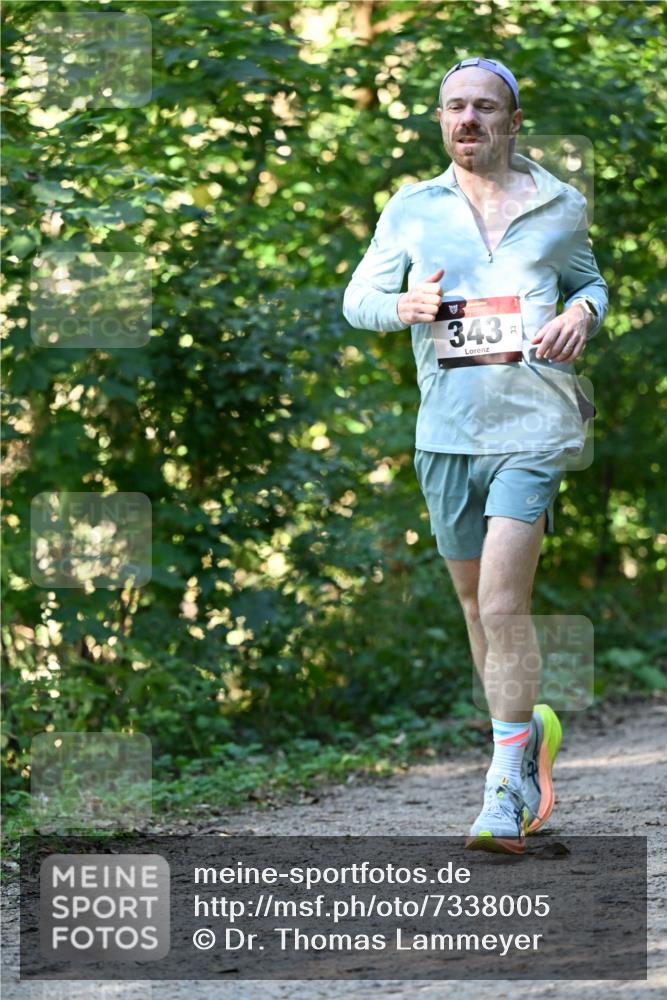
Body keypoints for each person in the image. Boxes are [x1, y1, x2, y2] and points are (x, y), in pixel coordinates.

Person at [342, 56, 608, 854]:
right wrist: (402, 305)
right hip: (445, 435)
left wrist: (581, 317)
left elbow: (589, 283)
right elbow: (357, 301)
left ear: (511, 120)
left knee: (500, 605)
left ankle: (502, 787)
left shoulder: (561, 205)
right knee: (473, 610)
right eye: (454, 106)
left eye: (484, 108)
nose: (468, 119)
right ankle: (526, 738)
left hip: (533, 428)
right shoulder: (411, 209)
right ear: (439, 119)